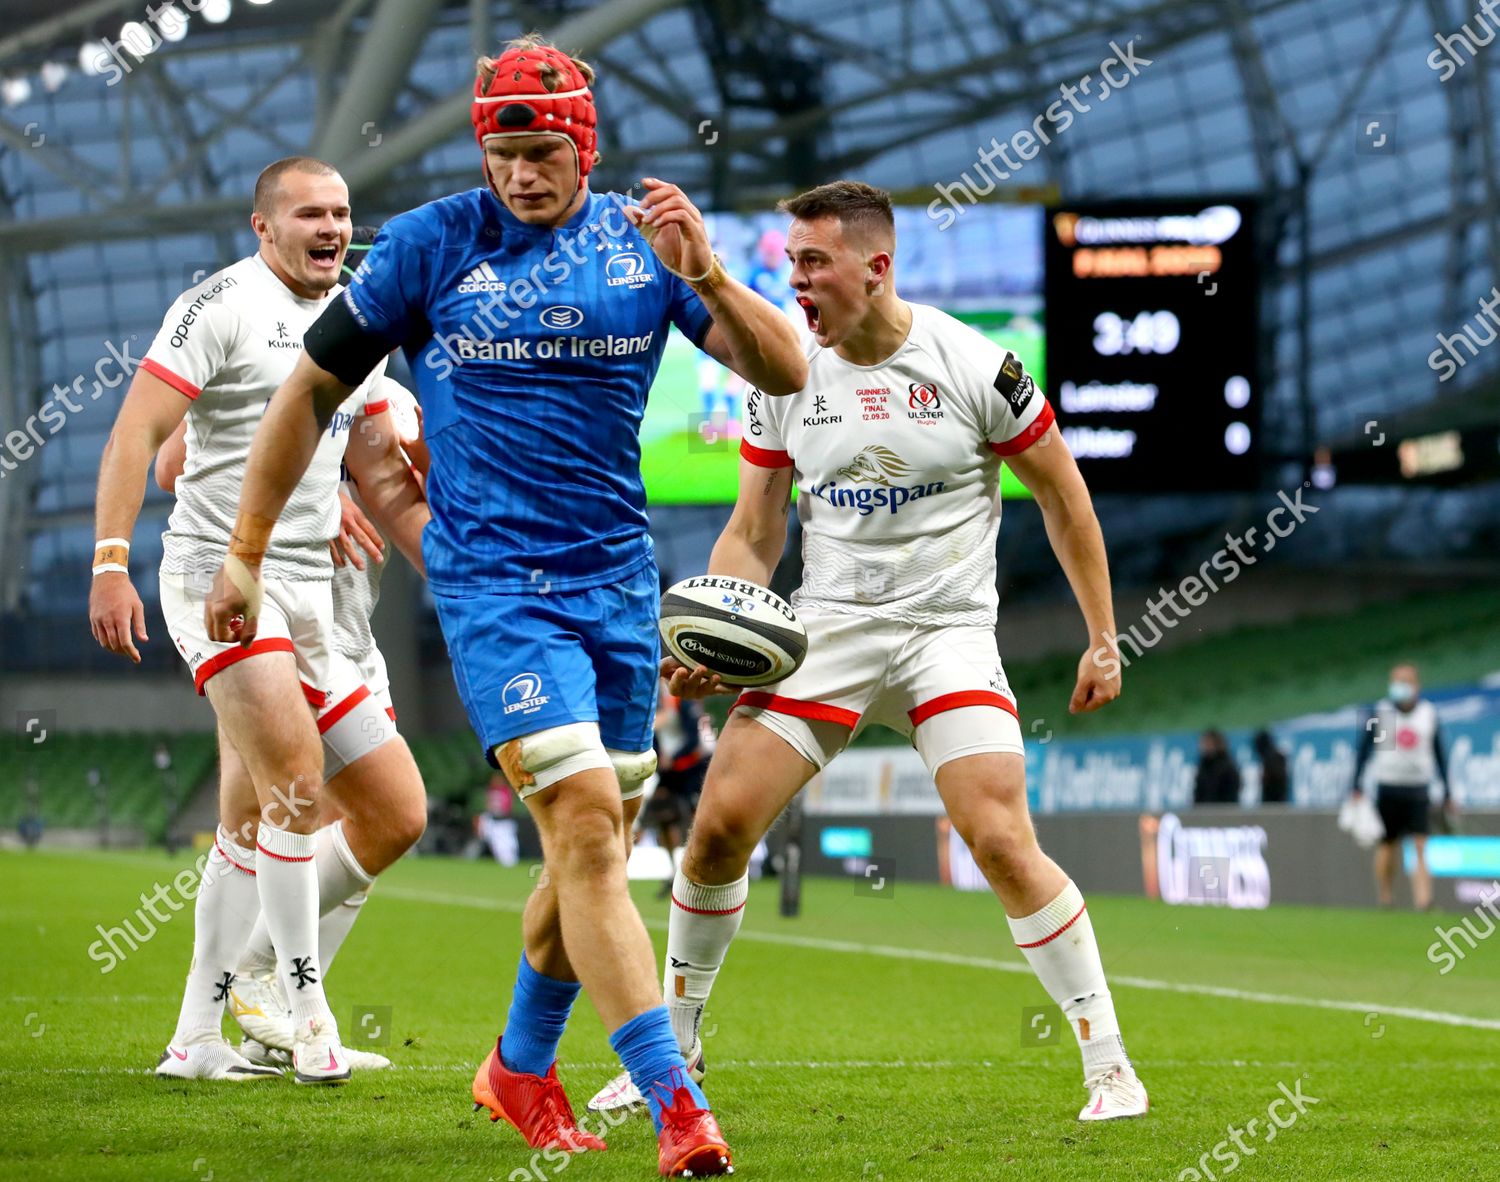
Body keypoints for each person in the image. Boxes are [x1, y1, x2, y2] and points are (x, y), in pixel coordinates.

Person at [199, 33, 805, 1175]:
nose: (519, 174)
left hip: (617, 591)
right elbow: (306, 394)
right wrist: (242, 552)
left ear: (585, 145)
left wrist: (713, 273)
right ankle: (680, 1108)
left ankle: (519, 1066)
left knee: (590, 854)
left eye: (540, 151)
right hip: (494, 591)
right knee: (585, 826)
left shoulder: (643, 244)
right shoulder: (430, 244)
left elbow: (787, 373)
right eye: (501, 151)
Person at [589, 180, 1148, 1123]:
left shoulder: (977, 364)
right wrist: (720, 622)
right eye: (790, 262)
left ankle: (1109, 1064)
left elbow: (1062, 495)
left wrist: (1103, 638)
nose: (796, 281)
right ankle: (674, 1060)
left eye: (813, 263)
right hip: (829, 631)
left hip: (948, 635)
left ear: (876, 267)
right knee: (718, 825)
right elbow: (755, 528)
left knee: (1001, 840)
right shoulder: (784, 379)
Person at [89, 157, 428, 1084]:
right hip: (216, 577)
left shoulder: (361, 318)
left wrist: (432, 541)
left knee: (393, 811)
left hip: (314, 594)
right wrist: (110, 563)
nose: (332, 228)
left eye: (343, 213)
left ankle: (197, 1039)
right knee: (292, 785)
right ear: (263, 227)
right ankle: (305, 1015)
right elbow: (138, 437)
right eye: (311, 213)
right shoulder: (219, 307)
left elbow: (372, 456)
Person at [1352, 663, 1454, 910]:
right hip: (1389, 787)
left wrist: (1448, 790)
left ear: (1417, 685)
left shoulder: (1428, 714)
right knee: (1388, 844)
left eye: (1405, 681)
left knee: (1420, 844)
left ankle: (1423, 900)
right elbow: (1366, 751)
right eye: (1396, 680)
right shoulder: (1384, 713)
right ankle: (1386, 898)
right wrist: (1355, 784)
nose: (1400, 686)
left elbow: (1440, 754)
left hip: (1418, 789)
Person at [1193, 729, 1241, 805]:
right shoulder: (1203, 766)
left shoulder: (1228, 767)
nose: (1203, 747)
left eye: (1207, 743)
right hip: (1203, 812)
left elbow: (1231, 795)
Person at [1253, 729, 1288, 804]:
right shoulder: (1273, 757)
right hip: (1276, 801)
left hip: (1274, 802)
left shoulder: (1271, 759)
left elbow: (1276, 780)